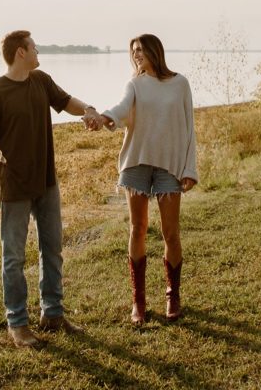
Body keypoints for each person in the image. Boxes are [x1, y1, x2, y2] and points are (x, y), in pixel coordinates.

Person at [0, 30, 102, 349]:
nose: (37, 50)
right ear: (20, 52)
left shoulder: (41, 80)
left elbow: (66, 101)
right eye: (33, 47)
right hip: (14, 187)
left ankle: (53, 314)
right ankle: (17, 324)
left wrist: (87, 109)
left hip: (46, 182)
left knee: (52, 248)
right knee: (13, 257)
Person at [88, 33, 197, 325]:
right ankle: (139, 301)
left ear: (155, 51)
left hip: (170, 167)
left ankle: (173, 295)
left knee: (170, 233)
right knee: (137, 229)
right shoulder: (135, 84)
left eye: (141, 49)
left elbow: (189, 128)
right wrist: (105, 117)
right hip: (136, 163)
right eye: (133, 50)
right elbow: (122, 108)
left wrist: (190, 168)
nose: (136, 54)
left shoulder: (180, 83)